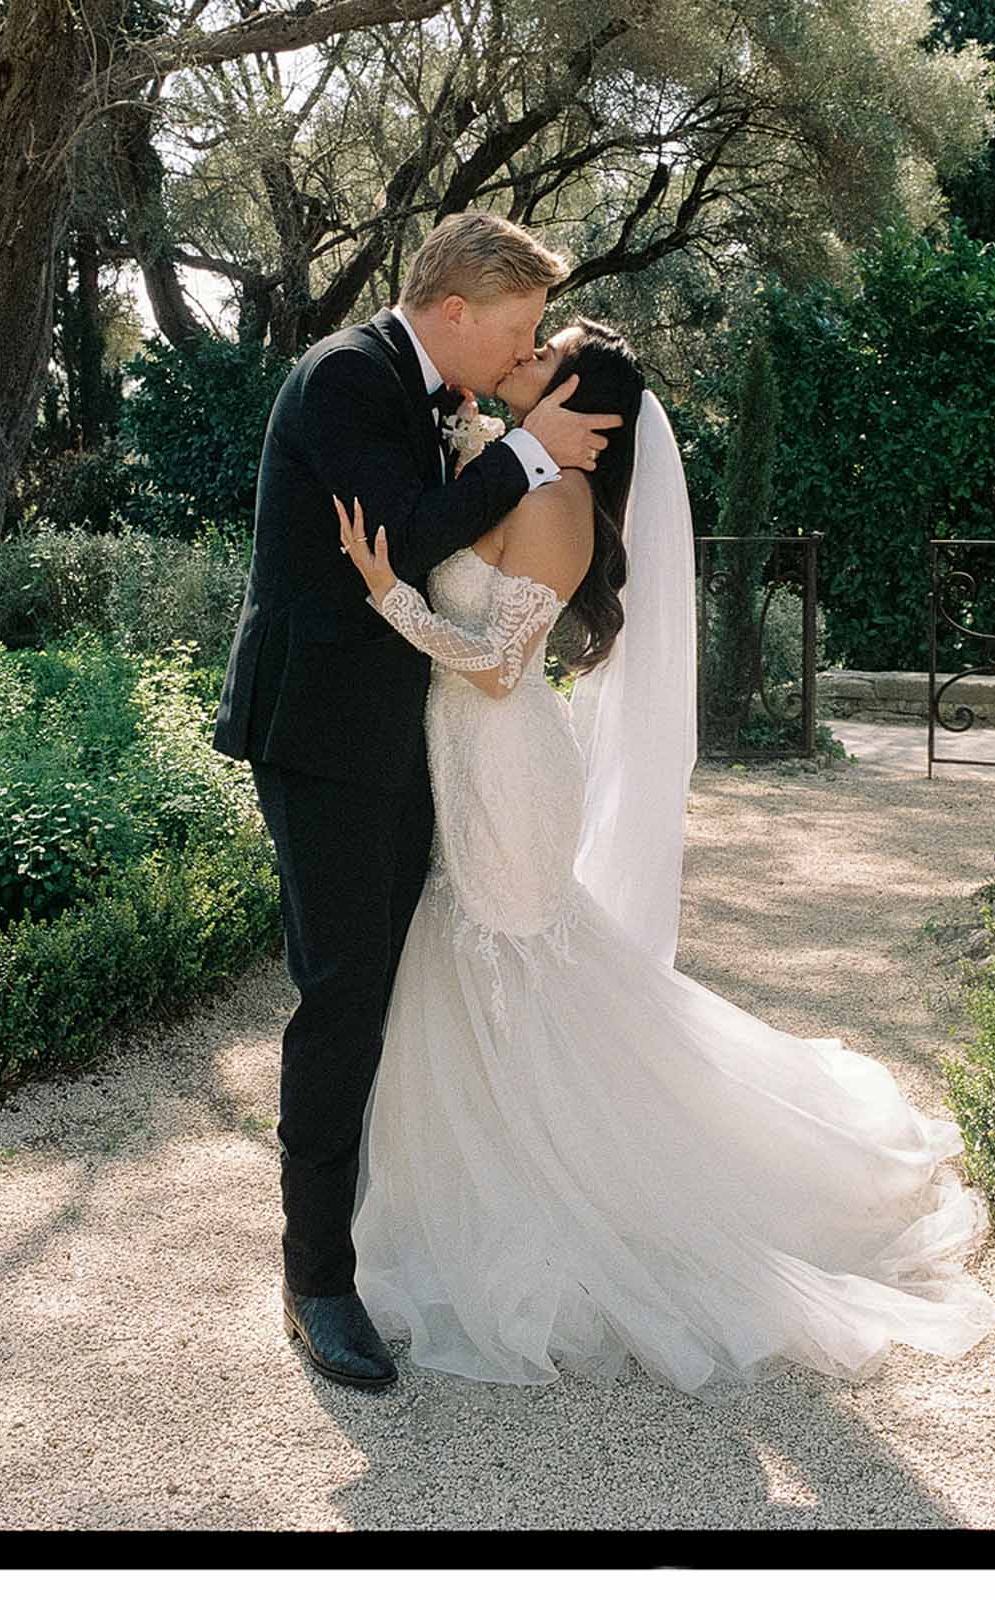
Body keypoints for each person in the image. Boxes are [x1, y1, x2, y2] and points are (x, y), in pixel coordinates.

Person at [333, 318, 995, 1393]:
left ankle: (554, 1182)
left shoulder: (555, 506)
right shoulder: (505, 468)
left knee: (510, 961)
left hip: (506, 765)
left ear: (585, 408)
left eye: (542, 355)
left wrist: (389, 593)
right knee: (487, 959)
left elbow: (499, 668)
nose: (523, 356)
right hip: (463, 760)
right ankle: (493, 1172)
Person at [211, 212, 622, 1392]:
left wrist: (515, 451)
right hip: (325, 732)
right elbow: (396, 535)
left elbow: (448, 563)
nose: (523, 348)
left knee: (390, 985)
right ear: (454, 309)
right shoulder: (346, 372)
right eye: (517, 327)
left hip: (411, 737)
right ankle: (315, 1281)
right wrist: (531, 449)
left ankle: (380, 1229)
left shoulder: (438, 393)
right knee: (342, 993)